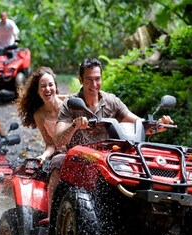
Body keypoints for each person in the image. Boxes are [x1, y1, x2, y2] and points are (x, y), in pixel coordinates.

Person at [47, 57, 173, 214]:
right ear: (80, 80)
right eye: (89, 80)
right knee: (57, 162)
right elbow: (58, 140)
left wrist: (157, 125)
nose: (94, 85)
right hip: (78, 158)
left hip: (107, 157)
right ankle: (52, 220)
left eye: (97, 79)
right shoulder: (71, 104)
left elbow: (138, 123)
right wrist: (74, 126)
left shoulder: (111, 101)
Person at [16, 66, 68, 165]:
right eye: (43, 86)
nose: (47, 89)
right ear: (37, 90)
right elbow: (50, 144)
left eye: (50, 85)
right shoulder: (39, 115)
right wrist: (43, 156)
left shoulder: (68, 102)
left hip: (77, 149)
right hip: (57, 155)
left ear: (55, 87)